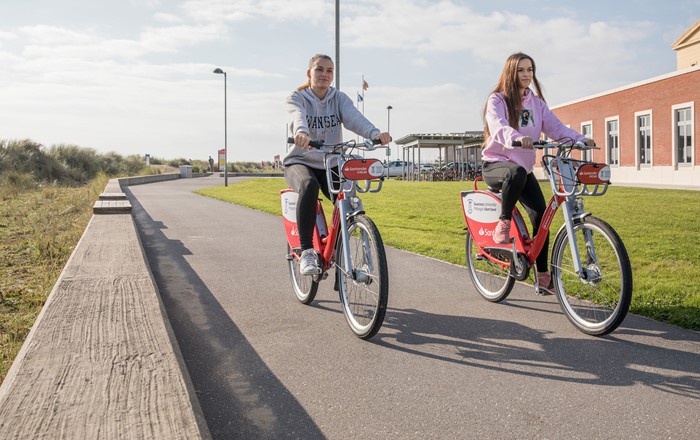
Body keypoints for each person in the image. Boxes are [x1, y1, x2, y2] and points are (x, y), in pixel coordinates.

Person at [480, 52, 594, 294]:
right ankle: (504, 221)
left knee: (542, 219)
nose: (526, 75)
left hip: (523, 171)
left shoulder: (536, 103)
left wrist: (580, 139)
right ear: (511, 72)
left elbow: (556, 128)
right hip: (496, 165)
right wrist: (517, 138)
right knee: (517, 172)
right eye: (521, 70)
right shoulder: (498, 100)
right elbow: (498, 126)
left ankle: (543, 276)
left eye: (530, 70)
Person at [284, 54, 391, 275]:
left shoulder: (338, 98)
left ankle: (336, 250)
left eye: (329, 71)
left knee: (347, 200)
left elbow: (354, 118)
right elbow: (298, 116)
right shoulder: (298, 97)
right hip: (300, 161)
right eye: (319, 69)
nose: (324, 74)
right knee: (309, 185)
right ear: (309, 73)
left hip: (330, 160)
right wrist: (301, 133)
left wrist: (375, 134)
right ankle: (307, 252)